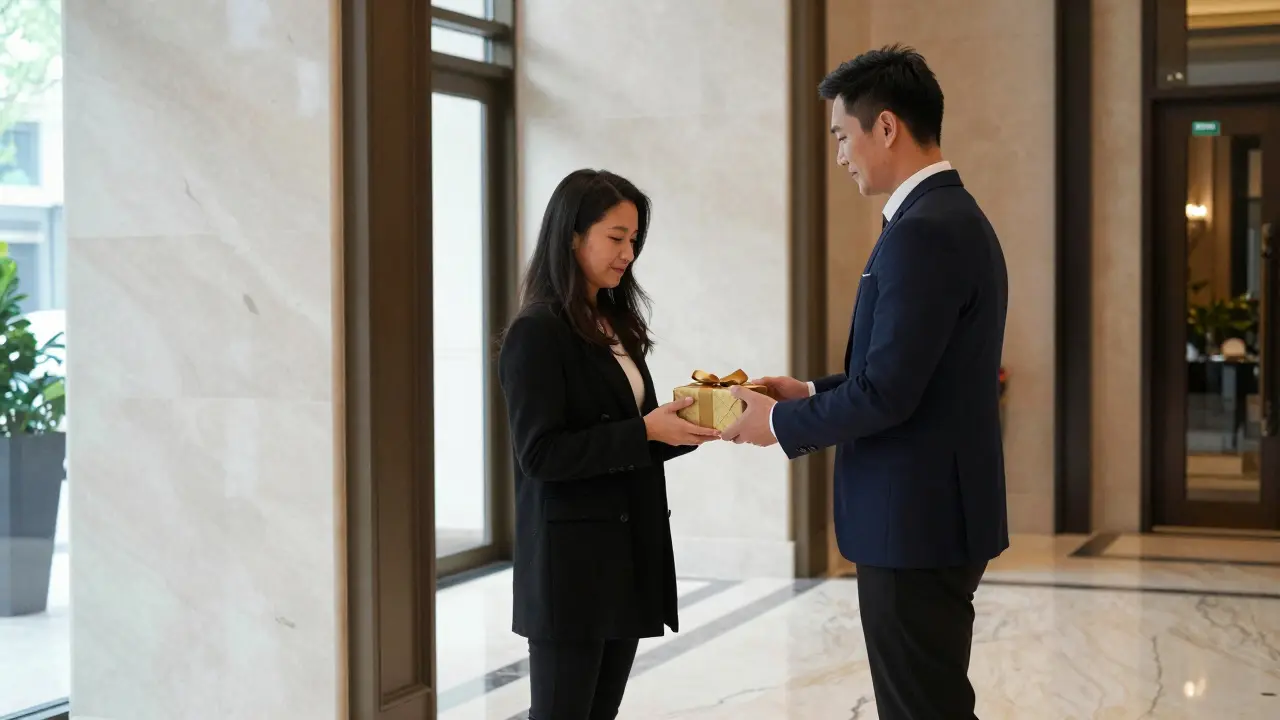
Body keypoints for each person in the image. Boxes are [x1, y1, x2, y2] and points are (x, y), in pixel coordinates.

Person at [721, 45, 1009, 719]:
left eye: (842, 136)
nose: (842, 154)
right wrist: (813, 393)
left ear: (885, 128)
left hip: (914, 522)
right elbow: (904, 373)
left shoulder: (926, 231)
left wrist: (776, 425)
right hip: (932, 516)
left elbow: (887, 395)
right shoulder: (948, 218)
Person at [498, 168, 719, 720]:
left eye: (635, 240)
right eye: (617, 238)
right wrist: (645, 430)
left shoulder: (613, 320)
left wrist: (690, 425)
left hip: (626, 558)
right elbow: (541, 455)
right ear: (573, 235)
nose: (629, 253)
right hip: (570, 570)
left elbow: (633, 433)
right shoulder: (537, 332)